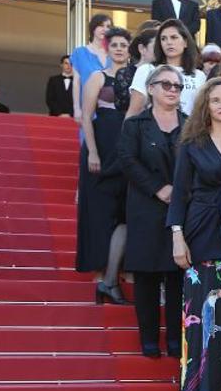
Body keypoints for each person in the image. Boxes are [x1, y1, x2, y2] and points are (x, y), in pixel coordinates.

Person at [168, 78, 221, 391]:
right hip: (201, 231)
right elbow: (179, 193)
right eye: (215, 100)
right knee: (200, 313)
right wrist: (176, 235)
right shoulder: (193, 144)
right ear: (206, 105)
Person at [119, 65, 186, 358]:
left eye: (178, 86)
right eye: (166, 84)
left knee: (176, 276)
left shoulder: (190, 124)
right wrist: (158, 188)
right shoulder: (135, 124)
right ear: (151, 88)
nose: (172, 90)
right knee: (146, 275)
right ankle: (148, 338)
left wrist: (179, 192)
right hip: (146, 206)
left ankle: (174, 338)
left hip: (180, 209)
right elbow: (127, 160)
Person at [75, 26, 131, 304]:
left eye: (124, 45)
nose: (120, 49)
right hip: (100, 147)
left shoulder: (135, 80)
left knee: (122, 213)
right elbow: (86, 117)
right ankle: (100, 275)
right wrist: (92, 152)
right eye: (115, 44)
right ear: (108, 48)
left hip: (126, 151)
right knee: (98, 212)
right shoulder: (97, 77)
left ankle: (115, 273)